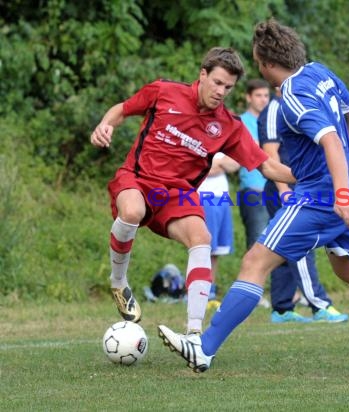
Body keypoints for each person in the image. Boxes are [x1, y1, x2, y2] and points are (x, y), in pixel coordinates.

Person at [158, 18, 349, 377]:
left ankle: (202, 349)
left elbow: (329, 140)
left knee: (254, 262)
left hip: (324, 196)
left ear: (264, 64)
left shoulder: (291, 97)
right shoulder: (319, 72)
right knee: (348, 266)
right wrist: (346, 167)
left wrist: (339, 190)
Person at [90, 47, 295, 334]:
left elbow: (268, 167)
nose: (222, 91)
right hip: (138, 179)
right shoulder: (163, 91)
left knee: (202, 239)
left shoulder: (229, 126)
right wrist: (105, 125)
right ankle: (119, 282)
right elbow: (122, 110)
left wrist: (311, 177)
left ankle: (194, 334)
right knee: (132, 211)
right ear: (203, 74)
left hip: (177, 194)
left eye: (228, 87)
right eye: (217, 82)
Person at [259, 88, 349, 323]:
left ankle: (281, 308)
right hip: (285, 188)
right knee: (301, 244)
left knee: (280, 248)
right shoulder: (274, 109)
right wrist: (283, 191)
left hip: (304, 186)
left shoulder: (302, 105)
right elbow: (270, 154)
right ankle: (320, 304)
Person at [197, 153, 240, 303]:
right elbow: (197, 169)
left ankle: (211, 290)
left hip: (222, 199)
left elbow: (235, 164)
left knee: (216, 251)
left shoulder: (224, 141)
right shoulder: (198, 140)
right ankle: (197, 290)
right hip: (202, 197)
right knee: (202, 248)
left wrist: (216, 164)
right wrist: (221, 164)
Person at [238, 79, 271, 249]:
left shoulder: (273, 121)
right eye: (258, 95)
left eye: (266, 95)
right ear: (248, 97)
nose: (263, 99)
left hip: (276, 190)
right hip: (253, 190)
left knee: (278, 247)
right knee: (257, 245)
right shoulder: (240, 122)